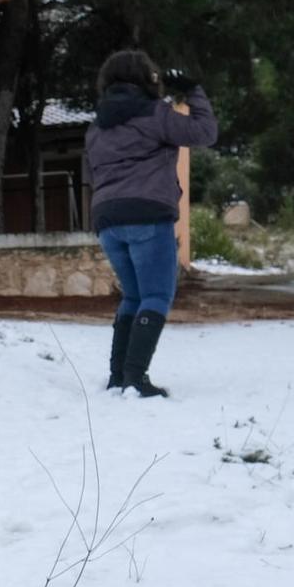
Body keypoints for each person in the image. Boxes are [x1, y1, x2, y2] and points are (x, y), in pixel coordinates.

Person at [85, 51, 218, 397]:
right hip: (148, 212)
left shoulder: (96, 127)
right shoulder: (156, 114)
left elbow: (92, 173)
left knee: (133, 295)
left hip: (107, 217)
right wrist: (193, 91)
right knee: (157, 295)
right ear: (148, 79)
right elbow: (204, 133)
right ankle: (136, 379)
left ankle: (118, 376)